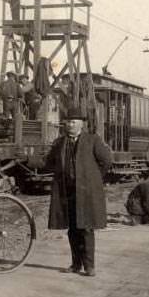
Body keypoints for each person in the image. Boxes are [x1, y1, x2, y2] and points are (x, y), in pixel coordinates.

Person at [45, 105, 112, 277]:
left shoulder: (92, 140)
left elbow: (106, 162)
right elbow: (49, 163)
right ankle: (76, 264)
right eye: (67, 122)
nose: (70, 125)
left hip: (86, 192)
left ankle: (90, 266)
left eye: (74, 122)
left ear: (82, 124)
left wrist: (93, 179)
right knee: (72, 229)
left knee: (86, 228)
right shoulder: (59, 143)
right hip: (67, 192)